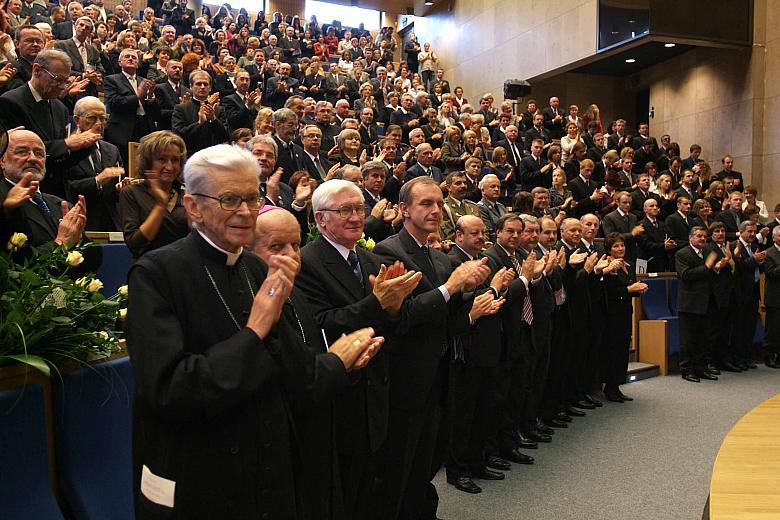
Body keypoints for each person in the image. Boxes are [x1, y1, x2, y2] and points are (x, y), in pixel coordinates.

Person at [126, 144, 381, 519]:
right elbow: (171, 390)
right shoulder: (156, 273)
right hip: (201, 472)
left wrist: (339, 363)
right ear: (193, 207)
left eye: (252, 197)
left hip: (267, 466)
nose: (246, 211)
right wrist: (254, 330)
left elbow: (293, 369)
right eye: (230, 199)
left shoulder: (257, 268)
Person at [297, 179, 422, 520]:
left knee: (370, 485)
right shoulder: (307, 262)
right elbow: (321, 325)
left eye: (359, 209)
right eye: (345, 210)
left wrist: (393, 308)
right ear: (320, 219)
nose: (356, 217)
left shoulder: (369, 258)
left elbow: (388, 324)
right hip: (340, 394)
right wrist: (377, 303)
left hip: (375, 392)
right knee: (342, 490)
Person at [372, 176, 492, 520]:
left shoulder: (439, 259)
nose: (436, 210)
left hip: (440, 374)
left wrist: (467, 291)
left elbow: (449, 319)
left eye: (439, 203)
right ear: (404, 209)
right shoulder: (388, 251)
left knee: (427, 460)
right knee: (399, 466)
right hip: (406, 378)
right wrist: (451, 288)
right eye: (426, 203)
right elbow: (402, 317)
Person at [119, 130, 188, 259]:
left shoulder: (186, 195)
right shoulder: (131, 193)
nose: (169, 167)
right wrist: (160, 206)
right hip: (149, 266)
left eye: (175, 160)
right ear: (148, 162)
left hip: (184, 265)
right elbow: (135, 245)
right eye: (162, 159)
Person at [65, 96, 124, 231]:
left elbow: (114, 192)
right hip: (78, 222)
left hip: (111, 223)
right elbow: (64, 188)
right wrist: (97, 181)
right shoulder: (66, 150)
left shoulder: (112, 150)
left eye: (103, 118)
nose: (99, 123)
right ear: (77, 120)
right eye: (92, 118)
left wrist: (121, 189)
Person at [676, 226, 727, 382]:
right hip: (690, 304)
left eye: (704, 236)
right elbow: (686, 275)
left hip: (707, 302)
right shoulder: (682, 254)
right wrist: (707, 266)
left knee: (704, 338)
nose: (703, 239)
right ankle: (687, 370)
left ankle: (701, 368)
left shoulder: (707, 252)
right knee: (688, 339)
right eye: (699, 236)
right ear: (690, 238)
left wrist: (717, 268)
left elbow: (711, 274)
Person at [601, 232, 648, 399]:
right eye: (616, 246)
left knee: (622, 350)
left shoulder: (629, 264)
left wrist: (638, 289)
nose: (620, 248)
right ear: (609, 249)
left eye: (622, 245)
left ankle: (617, 386)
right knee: (613, 351)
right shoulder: (607, 265)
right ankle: (610, 387)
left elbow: (629, 287)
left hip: (626, 312)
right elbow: (610, 292)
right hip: (611, 314)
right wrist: (629, 289)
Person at [103, 47, 161, 165]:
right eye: (127, 56)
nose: (130, 59)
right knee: (125, 165)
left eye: (134, 57)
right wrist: (137, 96)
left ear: (138, 64)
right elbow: (114, 103)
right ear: (120, 62)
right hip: (123, 129)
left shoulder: (144, 81)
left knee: (144, 164)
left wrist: (150, 96)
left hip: (145, 126)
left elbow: (156, 112)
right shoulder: (111, 80)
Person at [172, 69, 230, 155]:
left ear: (210, 87)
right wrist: (199, 123)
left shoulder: (218, 109)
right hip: (190, 155)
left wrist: (214, 119)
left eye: (205, 84)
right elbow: (177, 136)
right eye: (198, 84)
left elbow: (225, 136)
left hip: (215, 155)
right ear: (191, 86)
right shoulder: (181, 109)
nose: (202, 87)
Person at [763, 226, 780, 368]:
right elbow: (771, 274)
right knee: (773, 328)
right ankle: (769, 356)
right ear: (774, 238)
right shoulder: (768, 253)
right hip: (775, 297)